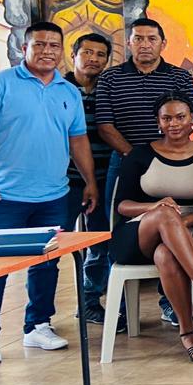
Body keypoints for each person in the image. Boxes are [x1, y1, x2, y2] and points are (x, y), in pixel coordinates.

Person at [0, 22, 98, 365]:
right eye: (39, 44)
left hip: (53, 195)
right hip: (3, 196)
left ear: (61, 51)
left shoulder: (68, 92)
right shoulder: (0, 84)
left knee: (47, 263)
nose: (47, 51)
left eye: (54, 45)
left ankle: (38, 325)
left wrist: (90, 181)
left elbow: (77, 140)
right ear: (24, 48)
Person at [111, 93, 193, 364]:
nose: (174, 123)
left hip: (185, 230)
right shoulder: (140, 154)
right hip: (138, 232)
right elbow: (122, 205)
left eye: (180, 117)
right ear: (158, 122)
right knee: (164, 213)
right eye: (167, 118)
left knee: (166, 254)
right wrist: (156, 209)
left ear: (192, 119)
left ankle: (188, 332)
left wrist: (179, 224)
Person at [95, 17, 193, 327]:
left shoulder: (180, 76)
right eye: (138, 38)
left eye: (151, 38)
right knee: (116, 225)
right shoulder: (111, 78)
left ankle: (171, 303)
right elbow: (105, 125)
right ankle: (121, 308)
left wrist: (160, 156)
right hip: (125, 161)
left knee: (171, 221)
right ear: (128, 43)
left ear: (163, 43)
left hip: (172, 163)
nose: (144, 44)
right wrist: (136, 157)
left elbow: (187, 120)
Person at [63, 33, 115, 328]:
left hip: (104, 177)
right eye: (87, 52)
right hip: (65, 181)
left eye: (100, 54)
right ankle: (39, 319)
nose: (93, 59)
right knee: (55, 243)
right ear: (74, 55)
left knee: (99, 241)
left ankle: (90, 302)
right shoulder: (59, 89)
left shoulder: (109, 89)